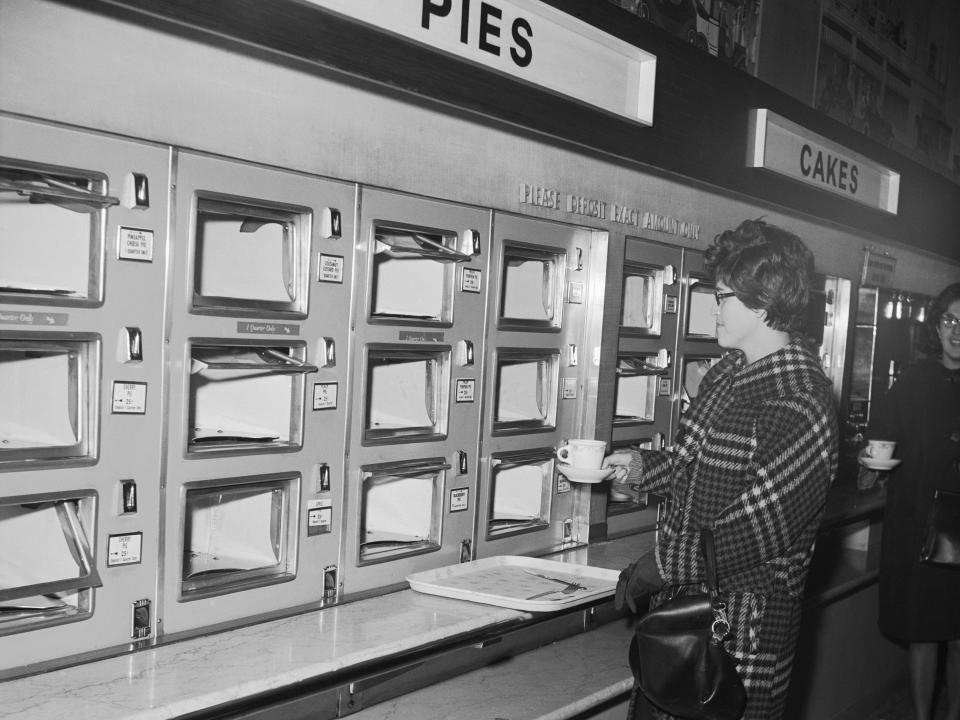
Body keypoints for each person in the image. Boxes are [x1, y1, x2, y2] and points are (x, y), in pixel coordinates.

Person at [605, 218, 839, 720]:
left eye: (725, 296)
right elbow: (703, 470)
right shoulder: (727, 376)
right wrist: (641, 467)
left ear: (766, 302)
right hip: (683, 616)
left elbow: (756, 531)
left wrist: (659, 566)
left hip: (741, 634)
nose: (714, 308)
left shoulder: (801, 401)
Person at [868, 281, 960, 720]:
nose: (957, 331)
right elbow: (882, 429)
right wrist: (872, 460)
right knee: (924, 631)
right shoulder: (915, 378)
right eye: (950, 320)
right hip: (920, 525)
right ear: (937, 326)